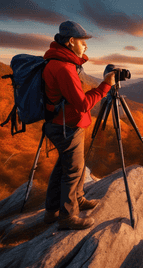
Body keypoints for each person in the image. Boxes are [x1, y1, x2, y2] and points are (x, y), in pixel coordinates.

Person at [42, 21, 115, 230]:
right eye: (83, 42)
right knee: (73, 171)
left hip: (57, 122)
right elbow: (83, 104)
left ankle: (54, 209)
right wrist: (105, 86)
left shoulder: (56, 61)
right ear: (71, 41)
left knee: (64, 166)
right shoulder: (64, 67)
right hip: (67, 126)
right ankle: (67, 216)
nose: (86, 46)